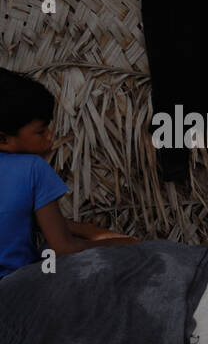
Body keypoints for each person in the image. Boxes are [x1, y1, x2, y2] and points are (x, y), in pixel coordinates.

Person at [0, 70, 136, 280]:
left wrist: (87, 230)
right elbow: (65, 248)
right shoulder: (32, 168)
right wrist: (127, 243)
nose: (50, 136)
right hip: (13, 290)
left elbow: (16, 214)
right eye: (40, 131)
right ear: (4, 140)